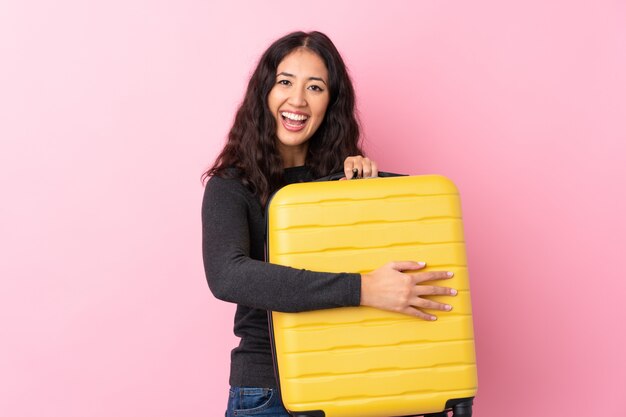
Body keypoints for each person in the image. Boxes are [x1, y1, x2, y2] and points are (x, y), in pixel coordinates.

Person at [201, 31, 457, 417]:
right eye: (285, 82)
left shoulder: (347, 181)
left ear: (331, 102)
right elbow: (229, 276)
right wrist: (361, 288)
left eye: (315, 87)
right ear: (263, 93)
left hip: (357, 381)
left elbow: (391, 271)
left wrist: (370, 198)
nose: (298, 100)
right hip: (271, 391)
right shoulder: (231, 186)